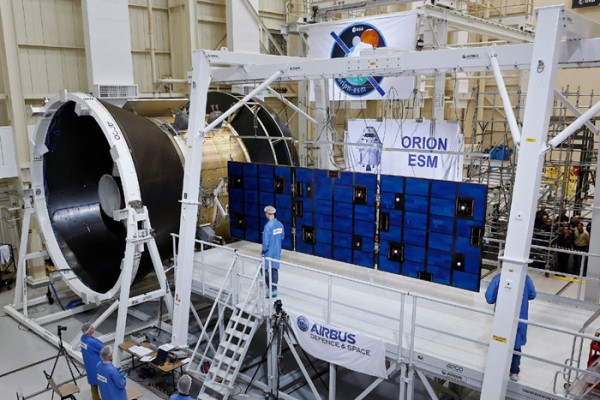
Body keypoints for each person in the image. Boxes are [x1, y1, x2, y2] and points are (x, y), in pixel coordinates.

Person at [485, 273, 537, 382]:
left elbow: (489, 298)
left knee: (499, 342)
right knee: (516, 345)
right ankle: (514, 371)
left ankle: (496, 368)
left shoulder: (498, 278)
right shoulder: (526, 279)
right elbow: (532, 295)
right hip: (519, 319)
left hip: (502, 319)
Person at [262, 205, 284, 298]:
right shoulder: (280, 224)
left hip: (268, 252)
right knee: (275, 269)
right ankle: (274, 289)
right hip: (277, 251)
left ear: (268, 213)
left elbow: (265, 243)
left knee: (263, 269)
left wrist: (264, 251)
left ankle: (271, 288)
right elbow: (282, 237)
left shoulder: (268, 226)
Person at [80, 322, 104, 400]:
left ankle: (95, 397)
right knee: (103, 383)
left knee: (93, 382)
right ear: (89, 331)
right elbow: (103, 349)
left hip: (88, 364)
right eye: (91, 327)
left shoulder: (83, 338)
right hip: (97, 365)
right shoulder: (92, 342)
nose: (93, 327)